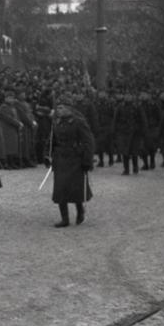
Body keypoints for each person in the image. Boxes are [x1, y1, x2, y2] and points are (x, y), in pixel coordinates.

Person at [44, 94, 94, 228]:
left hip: (75, 159)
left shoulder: (79, 122)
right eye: (58, 108)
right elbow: (51, 141)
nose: (58, 110)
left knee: (75, 188)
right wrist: (47, 155)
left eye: (61, 108)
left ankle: (80, 211)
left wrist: (87, 161)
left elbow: (88, 142)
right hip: (60, 159)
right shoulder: (56, 122)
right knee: (60, 189)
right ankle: (64, 218)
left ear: (69, 109)